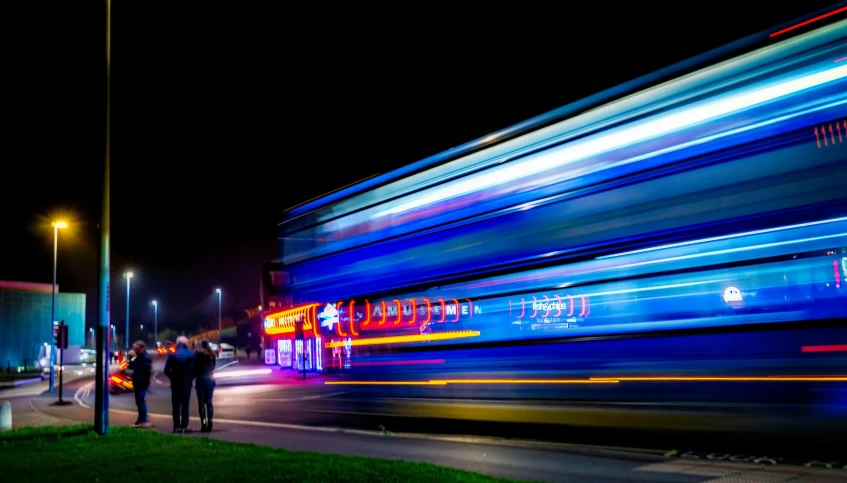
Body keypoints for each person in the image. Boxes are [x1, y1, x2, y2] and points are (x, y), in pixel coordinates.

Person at [164, 335, 195, 433]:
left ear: (177, 344)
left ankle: (176, 427)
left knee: (176, 406)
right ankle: (184, 426)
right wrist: (190, 378)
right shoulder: (191, 354)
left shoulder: (172, 354)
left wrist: (173, 377)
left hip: (175, 384)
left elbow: (166, 370)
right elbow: (194, 370)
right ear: (186, 344)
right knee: (185, 406)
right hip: (187, 384)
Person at [192, 339, 217, 432]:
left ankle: (203, 423)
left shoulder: (197, 355)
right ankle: (210, 422)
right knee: (209, 402)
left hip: (201, 380)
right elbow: (213, 367)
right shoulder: (211, 355)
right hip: (210, 380)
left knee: (201, 403)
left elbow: (193, 368)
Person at [128, 340, 152, 428]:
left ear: (141, 348)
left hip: (142, 383)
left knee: (140, 401)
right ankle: (140, 420)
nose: (134, 350)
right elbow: (130, 366)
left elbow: (146, 372)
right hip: (137, 382)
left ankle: (143, 420)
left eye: (135, 348)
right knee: (138, 401)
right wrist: (131, 357)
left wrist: (142, 381)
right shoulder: (137, 356)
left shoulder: (146, 357)